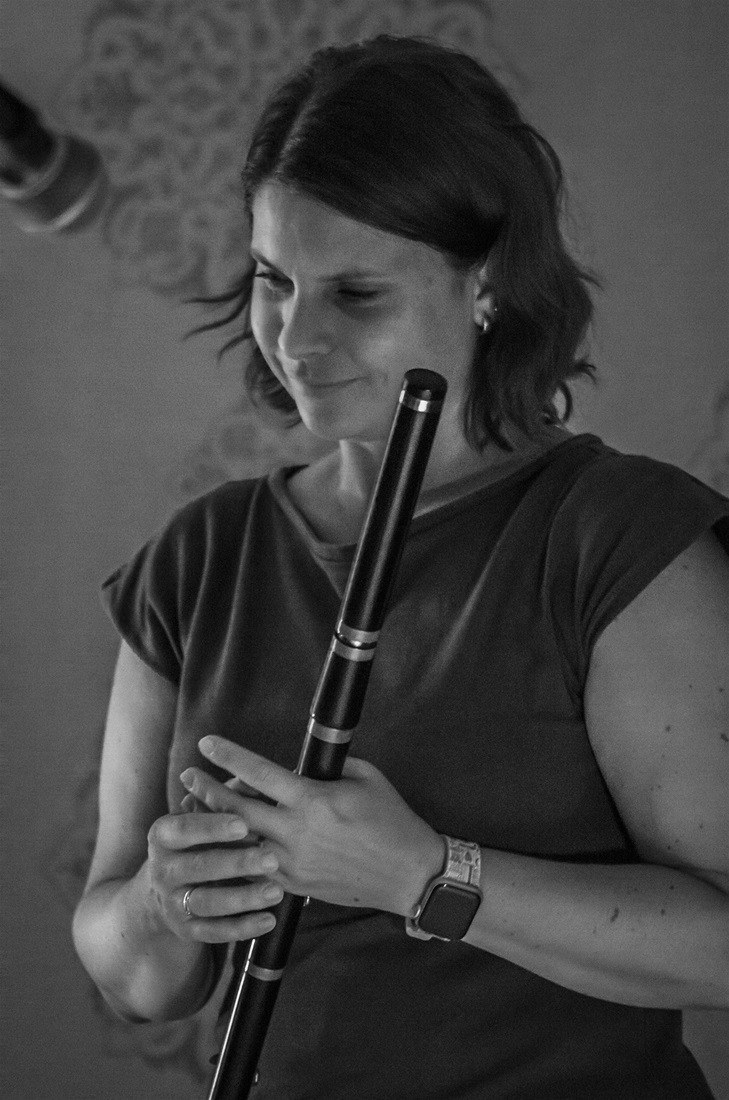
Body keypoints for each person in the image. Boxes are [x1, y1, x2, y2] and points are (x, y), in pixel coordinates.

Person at [72, 35, 729, 1099]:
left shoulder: (615, 535)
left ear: (488, 284)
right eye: (274, 280)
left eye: (356, 294)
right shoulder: (201, 555)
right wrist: (165, 898)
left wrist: (425, 876)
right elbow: (138, 979)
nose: (296, 337)